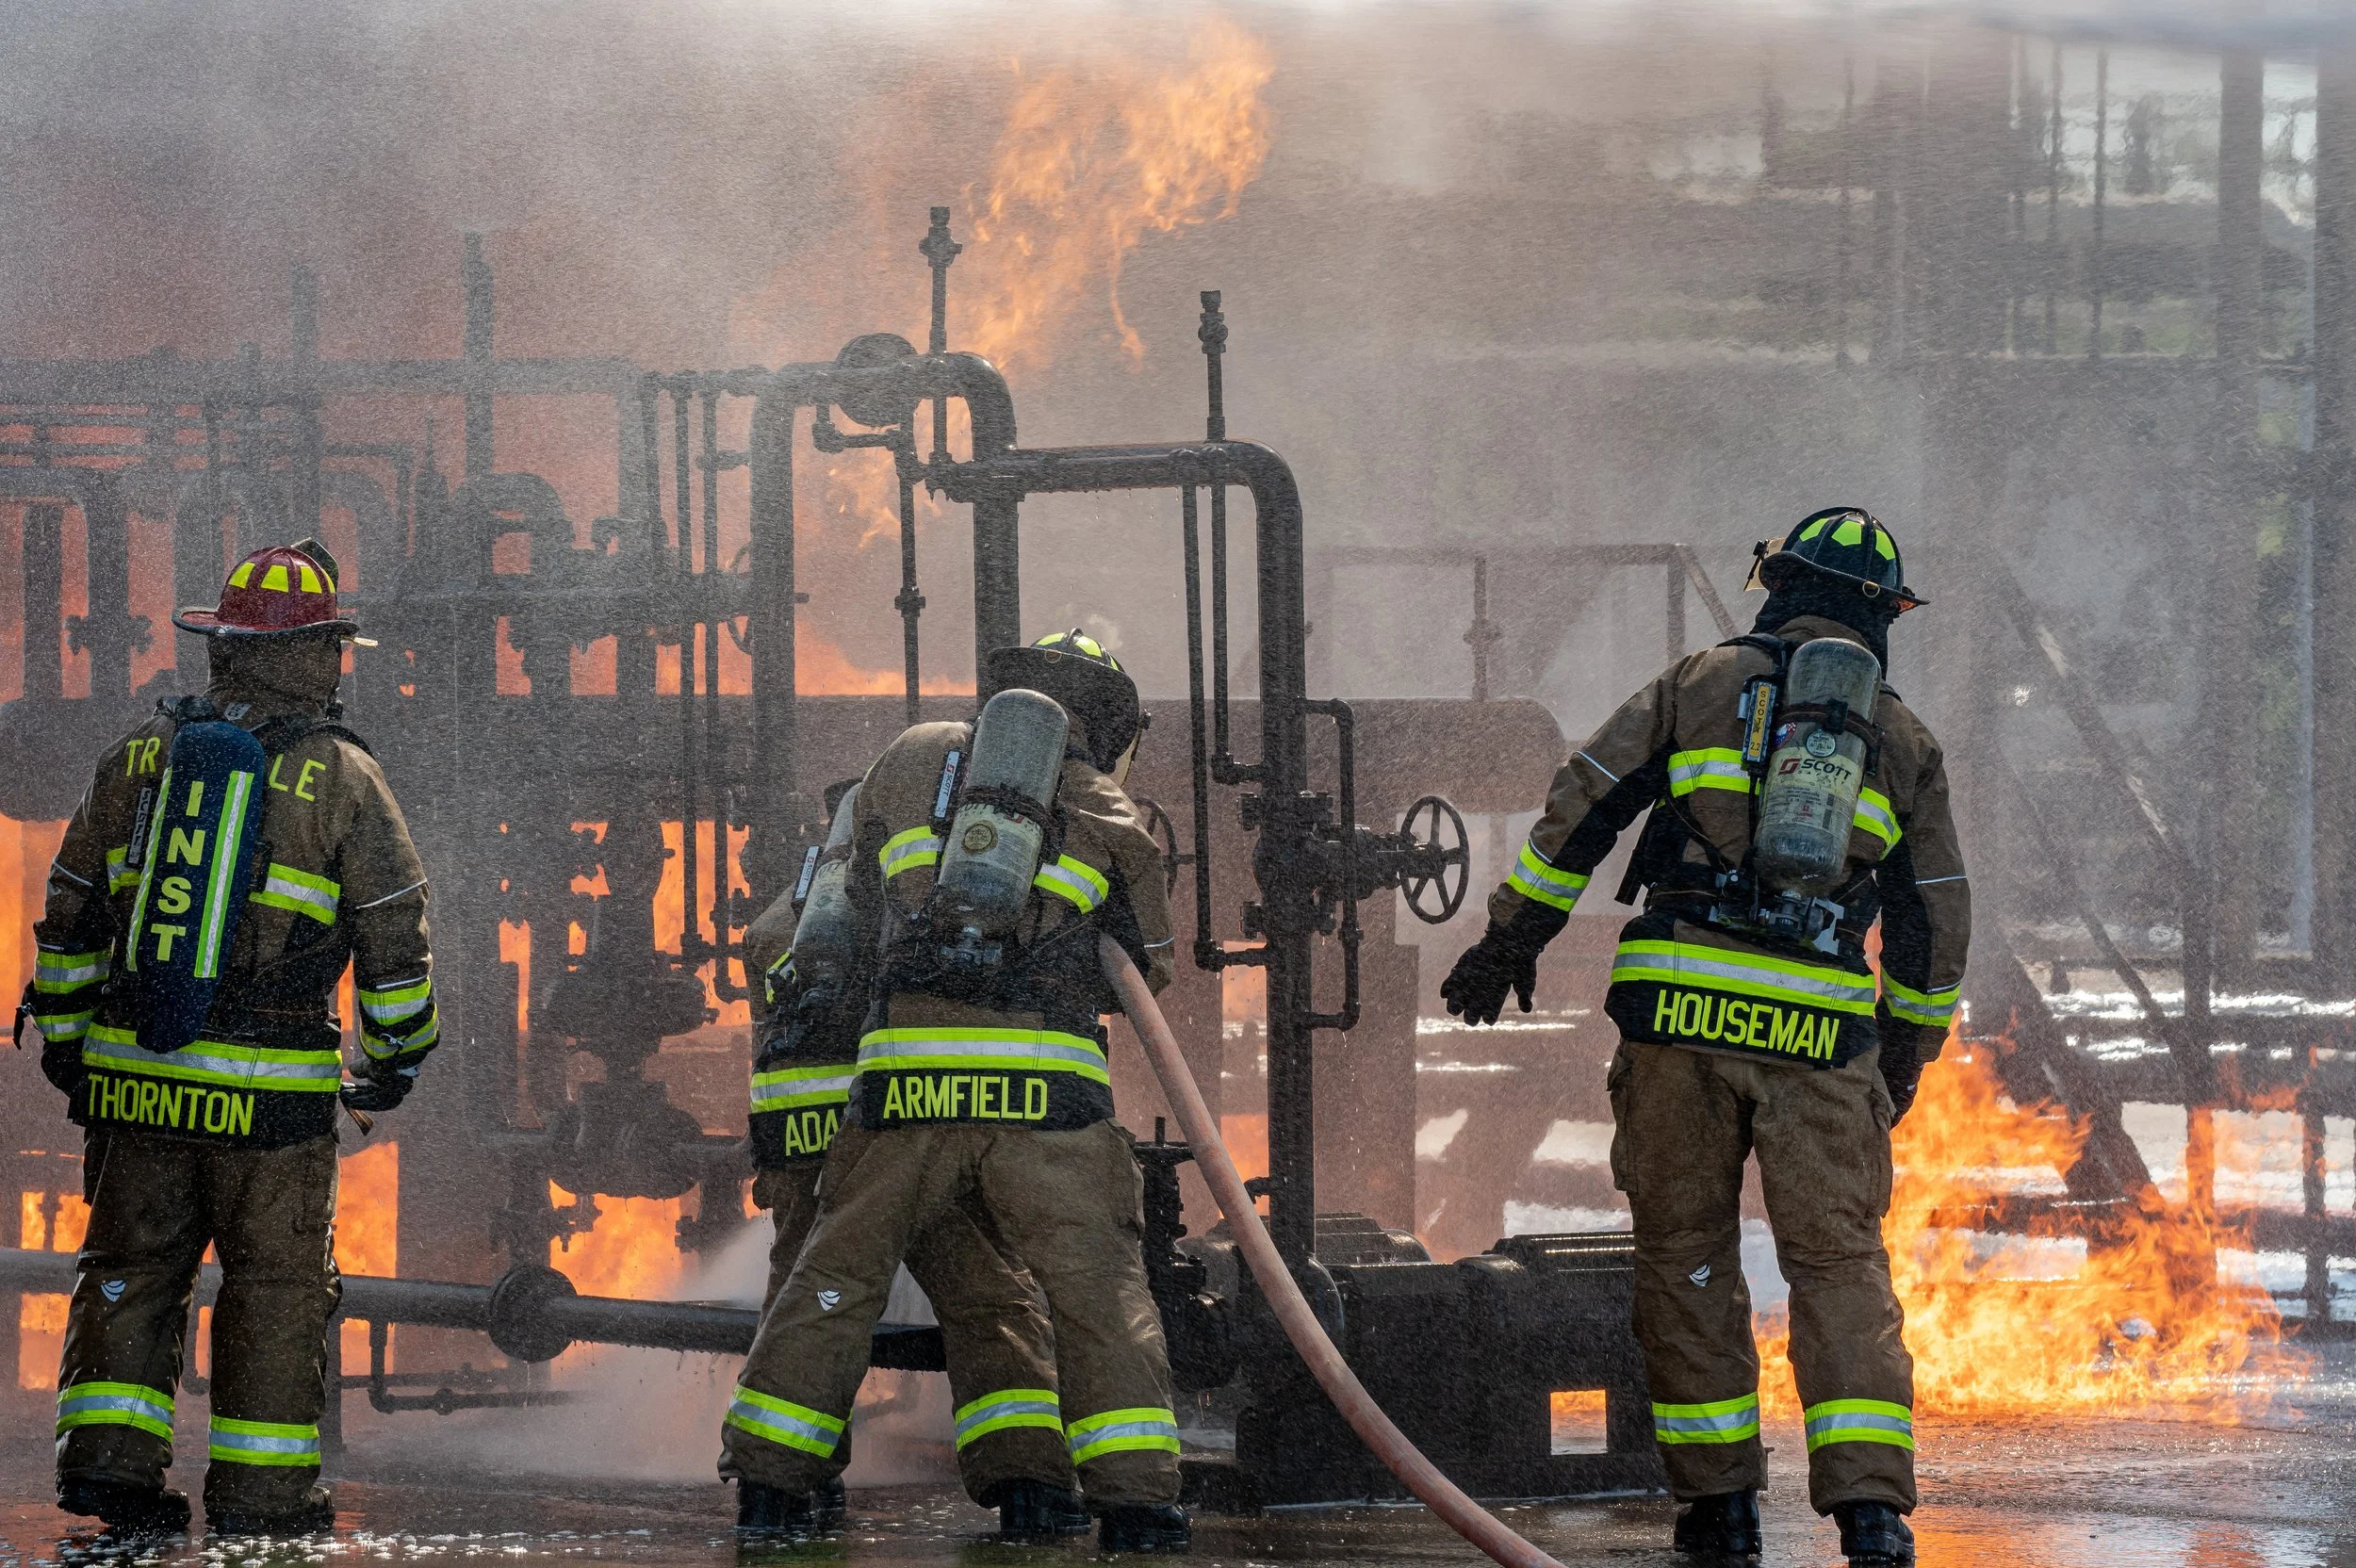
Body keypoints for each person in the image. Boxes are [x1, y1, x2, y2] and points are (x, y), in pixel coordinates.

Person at [1441, 511, 1968, 1568]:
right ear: (1880, 615)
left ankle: (1718, 1511)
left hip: (1678, 1011)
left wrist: (1509, 938)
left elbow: (1583, 804)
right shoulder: (1899, 738)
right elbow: (1932, 915)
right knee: (1836, 1265)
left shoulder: (1695, 682)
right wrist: (1901, 1056)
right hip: (1820, 1032)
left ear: (1775, 584)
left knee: (1685, 1259)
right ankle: (1871, 1514)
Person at [719, 629, 1189, 1552]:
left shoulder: (904, 759)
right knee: (1094, 1294)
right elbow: (1149, 973)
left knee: (834, 1276)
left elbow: (841, 904)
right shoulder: (1106, 806)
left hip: (903, 1087)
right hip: (1044, 1105)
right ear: (1105, 720)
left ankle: (773, 1489)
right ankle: (1130, 1502)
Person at [24, 540, 437, 1538]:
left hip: (136, 1079)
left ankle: (110, 1469)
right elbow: (395, 927)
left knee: (129, 1271)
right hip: (270, 1096)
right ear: (309, 653)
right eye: (333, 646)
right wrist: (392, 1059)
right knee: (275, 1289)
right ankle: (262, 1494)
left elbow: (69, 912)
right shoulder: (341, 776)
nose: (341, 664)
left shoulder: (135, 756)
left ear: (225, 647)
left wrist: (75, 1047)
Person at [731, 776, 1089, 1537]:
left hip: (797, 1143)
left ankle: (781, 1485)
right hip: (900, 1125)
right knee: (986, 1296)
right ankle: (1028, 1480)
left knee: (813, 1301)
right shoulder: (918, 895)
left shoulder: (783, 924)